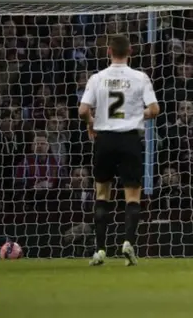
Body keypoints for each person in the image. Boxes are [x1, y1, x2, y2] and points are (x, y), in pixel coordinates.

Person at [78, 35, 160, 266]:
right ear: (130, 51)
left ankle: (100, 250)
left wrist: (91, 122)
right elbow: (154, 109)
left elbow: (83, 109)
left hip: (105, 140)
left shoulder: (97, 78)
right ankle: (128, 244)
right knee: (132, 196)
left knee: (102, 194)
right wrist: (135, 114)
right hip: (129, 140)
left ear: (108, 52)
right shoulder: (139, 77)